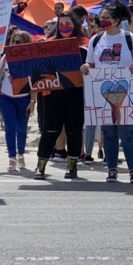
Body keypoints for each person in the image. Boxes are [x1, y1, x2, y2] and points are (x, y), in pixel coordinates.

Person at [81, 1, 133, 183]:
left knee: (128, 133)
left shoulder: (129, 39)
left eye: (106, 18)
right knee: (108, 132)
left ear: (117, 20)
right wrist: (86, 67)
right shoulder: (95, 40)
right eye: (100, 18)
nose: (102, 20)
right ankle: (112, 169)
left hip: (127, 91)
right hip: (102, 91)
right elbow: (92, 64)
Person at [34, 11, 87, 180]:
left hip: (76, 93)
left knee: (74, 131)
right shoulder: (48, 44)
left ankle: (72, 166)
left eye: (68, 24)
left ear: (76, 26)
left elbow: (92, 66)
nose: (65, 27)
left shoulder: (85, 45)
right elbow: (37, 69)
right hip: (52, 95)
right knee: (50, 130)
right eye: (62, 24)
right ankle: (40, 166)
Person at [0, 31, 35, 171]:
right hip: (6, 97)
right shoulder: (6, 57)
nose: (15, 45)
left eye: (19, 42)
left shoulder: (31, 59)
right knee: (10, 128)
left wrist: (32, 101)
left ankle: (21, 155)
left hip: (23, 98)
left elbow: (35, 83)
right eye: (14, 42)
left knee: (22, 129)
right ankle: (11, 158)